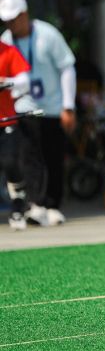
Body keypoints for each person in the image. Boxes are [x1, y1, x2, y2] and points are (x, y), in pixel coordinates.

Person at [0, 0, 76, 226]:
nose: (11, 25)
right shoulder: (6, 41)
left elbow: (67, 68)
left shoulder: (48, 34)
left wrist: (68, 106)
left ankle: (52, 204)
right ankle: (35, 204)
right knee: (27, 156)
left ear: (25, 14)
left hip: (52, 108)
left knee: (53, 157)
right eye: (7, 20)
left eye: (14, 19)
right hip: (23, 108)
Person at [0, 40, 32, 230]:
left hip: (6, 121)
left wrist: (5, 82)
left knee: (10, 161)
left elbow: (25, 80)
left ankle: (18, 202)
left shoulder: (8, 51)